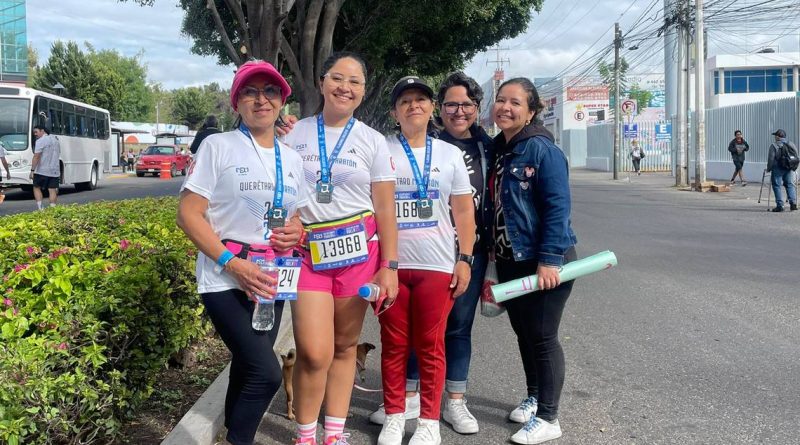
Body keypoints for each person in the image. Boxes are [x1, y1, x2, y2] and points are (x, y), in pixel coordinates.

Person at [176, 60, 308, 445]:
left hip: (271, 277)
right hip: (223, 276)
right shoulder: (218, 146)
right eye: (250, 91)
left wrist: (296, 230)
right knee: (266, 373)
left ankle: (234, 433)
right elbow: (188, 213)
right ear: (237, 103)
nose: (261, 99)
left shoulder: (292, 158)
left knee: (248, 368)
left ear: (282, 100)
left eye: (270, 91)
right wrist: (232, 264)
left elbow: (296, 214)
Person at [282, 51, 399, 445]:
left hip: (358, 256)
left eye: (354, 82)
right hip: (308, 255)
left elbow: (385, 208)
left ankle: (333, 433)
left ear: (363, 92)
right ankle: (304, 434)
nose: (344, 87)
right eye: (337, 78)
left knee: (345, 346)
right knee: (314, 352)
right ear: (321, 82)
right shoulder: (294, 134)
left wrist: (390, 266)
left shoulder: (372, 141)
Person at [369, 72, 494, 436]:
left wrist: (465, 258)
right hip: (391, 265)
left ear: (431, 108)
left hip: (437, 264)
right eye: (405, 101)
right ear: (395, 111)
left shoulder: (449, 153)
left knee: (430, 344)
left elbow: (464, 212)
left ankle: (428, 423)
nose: (414, 106)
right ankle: (394, 415)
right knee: (393, 344)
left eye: (421, 99)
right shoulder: (381, 149)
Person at [490, 78, 578, 445]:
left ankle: (549, 416)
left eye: (514, 102)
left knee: (542, 336)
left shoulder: (542, 151)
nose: (505, 107)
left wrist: (549, 260)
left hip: (543, 261)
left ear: (531, 110)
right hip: (511, 260)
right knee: (524, 334)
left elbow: (558, 208)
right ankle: (534, 396)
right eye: (500, 100)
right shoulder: (498, 149)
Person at [29, 124, 61, 210]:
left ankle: (40, 209)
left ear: (42, 131)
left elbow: (36, 156)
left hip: (42, 170)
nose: (35, 134)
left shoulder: (40, 141)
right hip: (55, 170)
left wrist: (32, 170)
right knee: (52, 189)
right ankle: (53, 209)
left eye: (36, 132)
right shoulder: (55, 139)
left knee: (36, 187)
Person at [766, 129, 798, 212]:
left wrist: (769, 168)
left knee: (777, 185)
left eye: (775, 135)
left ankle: (780, 205)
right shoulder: (791, 143)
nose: (775, 137)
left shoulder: (774, 145)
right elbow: (796, 155)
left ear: (778, 136)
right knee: (790, 184)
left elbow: (771, 159)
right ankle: (793, 203)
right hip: (789, 167)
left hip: (778, 168)